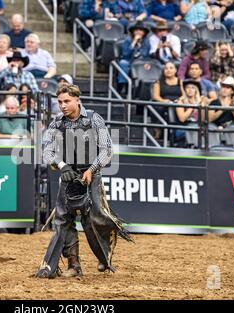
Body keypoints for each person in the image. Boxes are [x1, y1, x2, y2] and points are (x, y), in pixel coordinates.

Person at [35, 83, 133, 279]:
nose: (62, 105)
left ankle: (105, 257)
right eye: (60, 102)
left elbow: (106, 150)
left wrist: (91, 169)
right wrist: (62, 165)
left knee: (95, 219)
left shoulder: (94, 119)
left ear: (77, 100)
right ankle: (73, 264)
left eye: (67, 101)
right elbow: (46, 149)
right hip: (68, 176)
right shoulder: (57, 123)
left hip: (91, 175)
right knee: (63, 220)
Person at [116, 22, 150, 92]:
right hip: (129, 60)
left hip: (141, 62)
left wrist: (139, 47)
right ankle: (120, 86)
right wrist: (134, 42)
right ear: (133, 32)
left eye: (141, 30)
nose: (138, 32)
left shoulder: (146, 41)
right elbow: (125, 54)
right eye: (136, 30)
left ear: (144, 32)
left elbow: (145, 54)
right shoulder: (128, 40)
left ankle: (141, 90)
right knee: (123, 63)